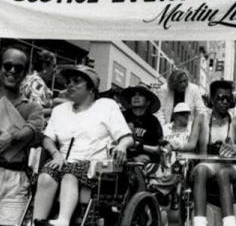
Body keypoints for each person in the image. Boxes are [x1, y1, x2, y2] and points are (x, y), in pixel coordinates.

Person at [33, 65, 133, 226]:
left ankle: (63, 221)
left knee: (70, 173)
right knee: (46, 175)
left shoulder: (106, 106)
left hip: (95, 166)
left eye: (76, 81)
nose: (69, 85)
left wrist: (122, 146)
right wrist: (56, 154)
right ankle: (36, 221)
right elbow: (47, 138)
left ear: (91, 87)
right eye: (68, 82)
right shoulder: (60, 110)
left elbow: (126, 137)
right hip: (63, 161)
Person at [0, 46, 44, 225]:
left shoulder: (33, 107)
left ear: (25, 73)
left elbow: (32, 129)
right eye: (7, 65)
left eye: (18, 68)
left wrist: (10, 138)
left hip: (16, 180)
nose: (12, 71)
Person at [192, 80, 236, 226]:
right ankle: (200, 222)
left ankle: (230, 222)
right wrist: (173, 144)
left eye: (228, 98)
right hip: (208, 165)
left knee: (223, 174)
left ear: (233, 101)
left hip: (231, 166)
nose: (224, 102)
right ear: (211, 99)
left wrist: (234, 148)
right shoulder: (200, 119)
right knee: (200, 170)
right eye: (220, 98)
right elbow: (190, 144)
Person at [119, 83, 163, 166]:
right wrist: (133, 158)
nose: (136, 97)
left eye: (141, 95)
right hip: (121, 161)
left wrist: (147, 159)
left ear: (148, 102)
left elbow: (157, 149)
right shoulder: (121, 117)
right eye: (133, 95)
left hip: (145, 165)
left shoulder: (153, 121)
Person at [20, 50, 56, 120]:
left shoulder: (29, 78)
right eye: (53, 66)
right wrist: (55, 111)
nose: (55, 70)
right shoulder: (38, 83)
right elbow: (36, 111)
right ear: (45, 66)